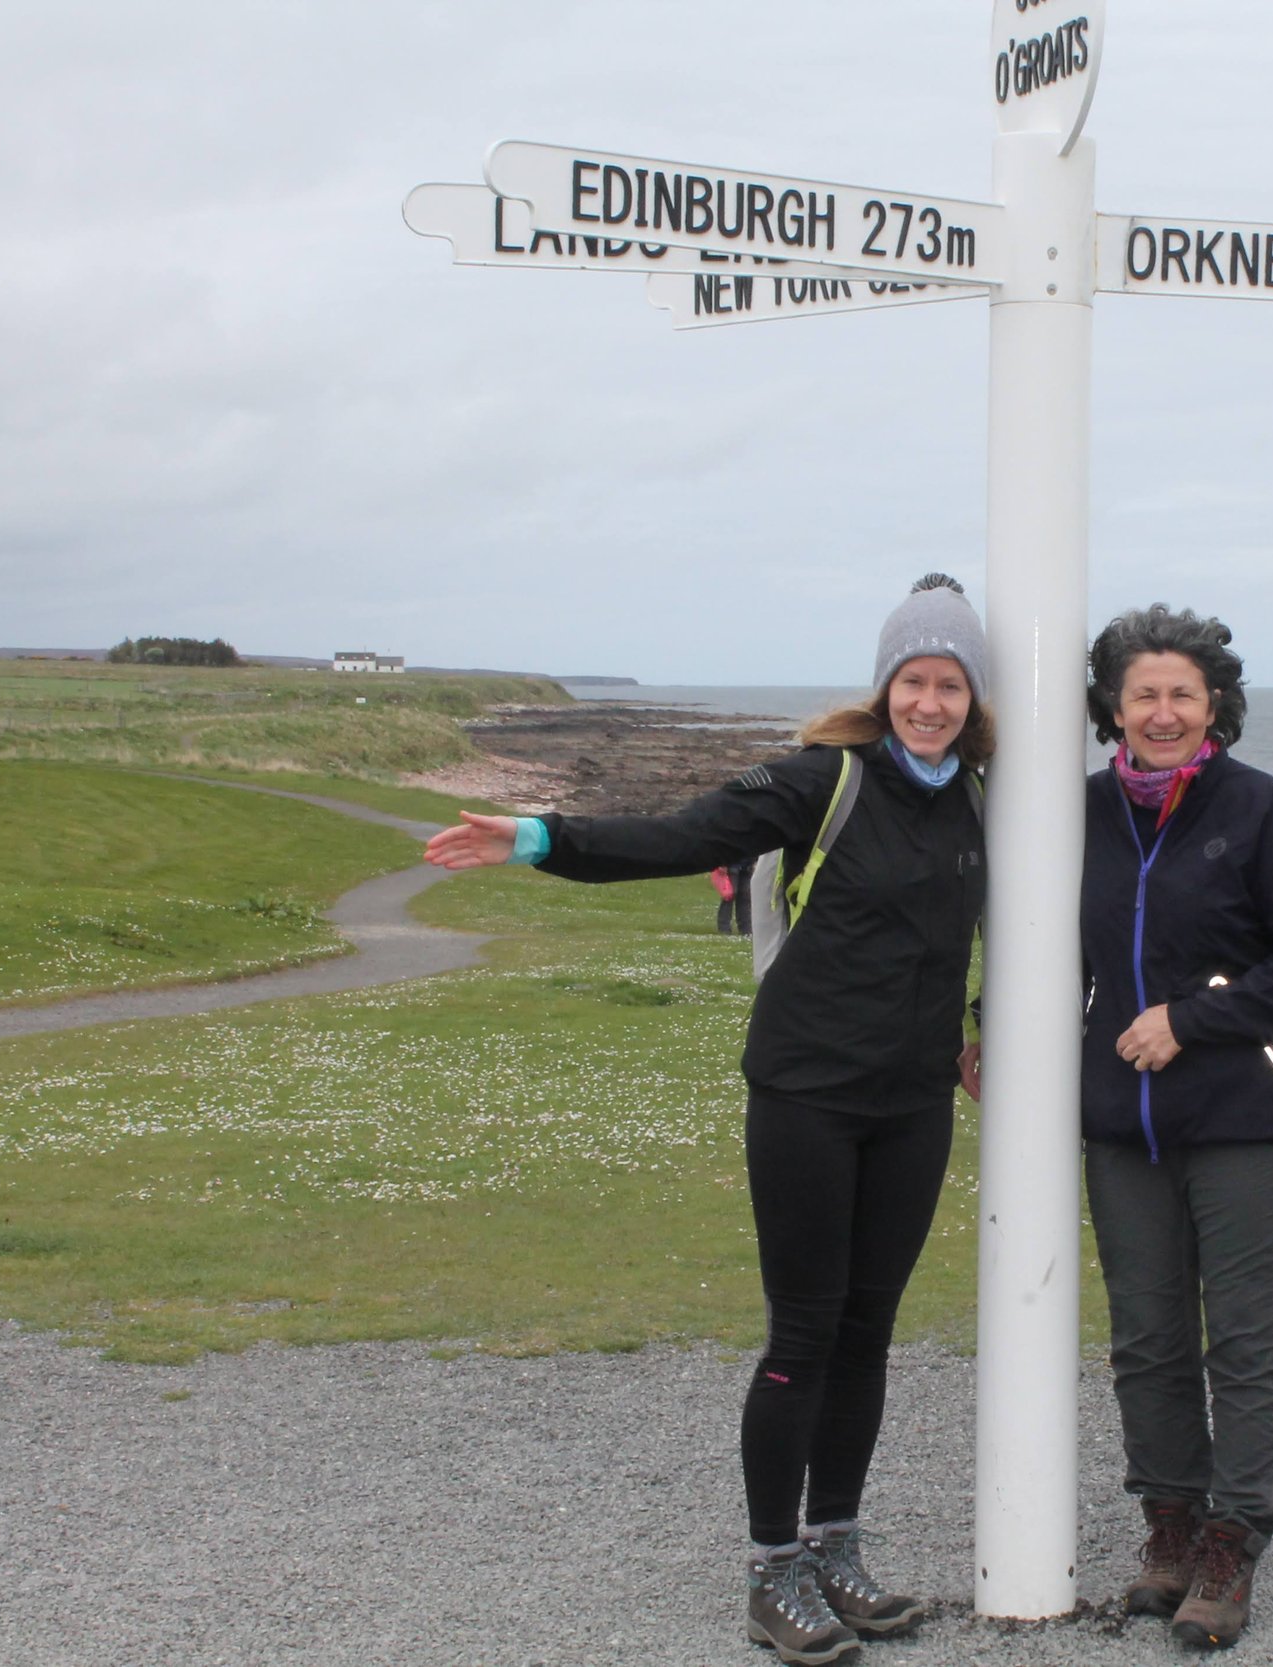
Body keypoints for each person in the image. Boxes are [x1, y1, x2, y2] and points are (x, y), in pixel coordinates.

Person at [423, 574, 991, 1667]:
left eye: (950, 684)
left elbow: (1016, 924)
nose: (930, 701)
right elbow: (683, 835)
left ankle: (837, 1548)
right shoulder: (825, 779)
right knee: (806, 1332)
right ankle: (771, 1566)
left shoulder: (976, 797)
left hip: (913, 1102)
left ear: (974, 697)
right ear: (885, 687)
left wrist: (987, 1023)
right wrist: (541, 836)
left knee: (869, 1333)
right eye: (914, 680)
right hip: (807, 1096)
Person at [1076, 605, 1273, 1650]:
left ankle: (1234, 1540)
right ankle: (1168, 1524)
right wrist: (989, 1027)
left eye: (1181, 694)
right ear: (1113, 702)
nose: (1162, 711)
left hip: (1245, 1119)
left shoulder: (1263, 812)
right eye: (1143, 692)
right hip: (1120, 1127)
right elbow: (1047, 950)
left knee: (1242, 1341)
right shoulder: (1082, 814)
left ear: (1214, 706)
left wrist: (1191, 1021)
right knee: (1147, 1341)